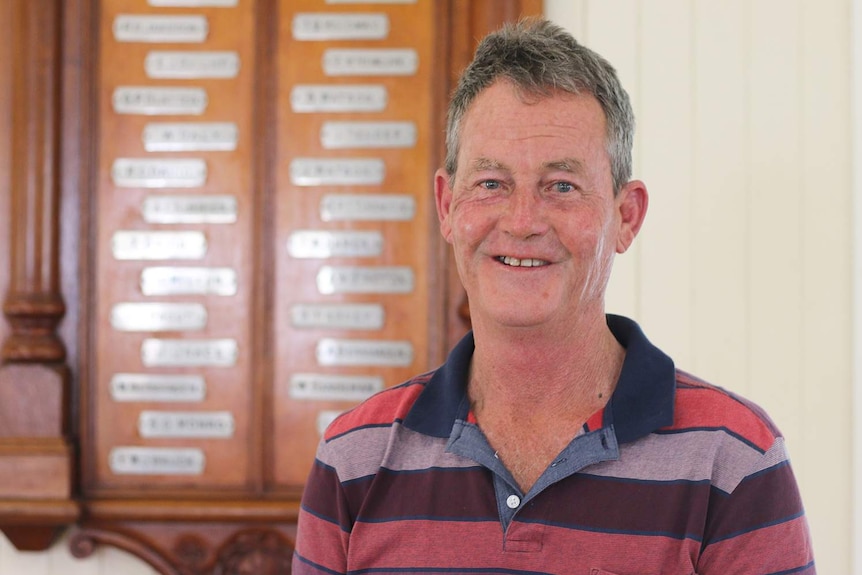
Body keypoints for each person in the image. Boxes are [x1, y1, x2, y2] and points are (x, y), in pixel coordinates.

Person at [292, 17, 815, 574]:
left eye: (561, 186)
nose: (521, 222)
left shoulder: (734, 462)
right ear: (447, 207)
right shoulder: (353, 460)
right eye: (491, 183)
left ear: (626, 216)